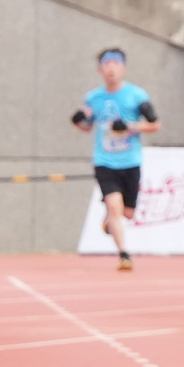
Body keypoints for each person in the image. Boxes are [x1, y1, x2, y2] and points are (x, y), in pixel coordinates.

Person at [70, 47, 158, 270]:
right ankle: (124, 255)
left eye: (116, 64)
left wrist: (128, 127)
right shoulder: (93, 98)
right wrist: (77, 121)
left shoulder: (136, 95)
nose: (111, 69)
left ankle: (109, 218)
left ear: (124, 68)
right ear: (100, 69)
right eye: (106, 64)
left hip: (130, 161)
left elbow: (155, 124)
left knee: (127, 213)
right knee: (114, 205)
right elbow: (86, 126)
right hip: (105, 161)